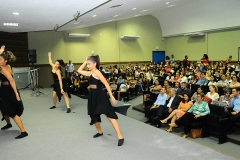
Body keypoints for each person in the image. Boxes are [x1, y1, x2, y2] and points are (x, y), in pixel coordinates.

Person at [77, 55, 124, 146]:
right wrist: (85, 60)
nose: (87, 66)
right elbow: (79, 70)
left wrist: (112, 96)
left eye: (89, 64)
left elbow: (106, 84)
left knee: (110, 116)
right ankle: (100, 132)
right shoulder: (90, 72)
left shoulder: (97, 72)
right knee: (93, 114)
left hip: (100, 95)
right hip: (92, 95)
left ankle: (120, 136)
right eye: (87, 64)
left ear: (95, 64)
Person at [0, 46, 28, 139]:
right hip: (4, 89)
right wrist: (1, 52)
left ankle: (23, 131)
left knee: (12, 111)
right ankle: (8, 124)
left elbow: (12, 81)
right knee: (3, 107)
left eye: (0, 59)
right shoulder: (6, 65)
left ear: (5, 61)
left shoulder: (4, 68)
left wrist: (16, 94)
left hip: (9, 90)